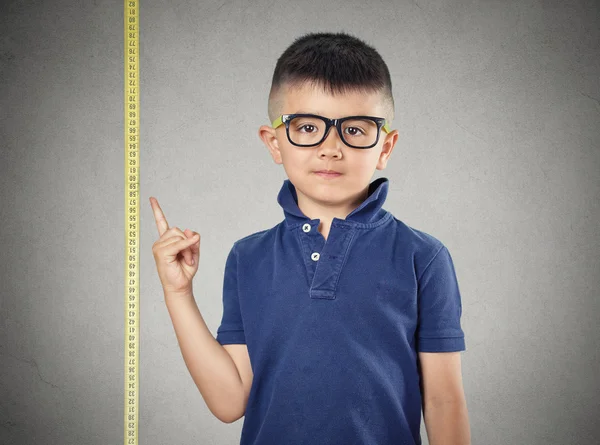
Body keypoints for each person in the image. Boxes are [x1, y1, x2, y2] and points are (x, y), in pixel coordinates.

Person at [150, 31, 470, 445]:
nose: (331, 148)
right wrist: (178, 293)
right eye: (306, 127)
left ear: (385, 146)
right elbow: (229, 402)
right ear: (274, 142)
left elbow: (444, 400)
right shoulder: (248, 257)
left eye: (355, 129)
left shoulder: (422, 257)